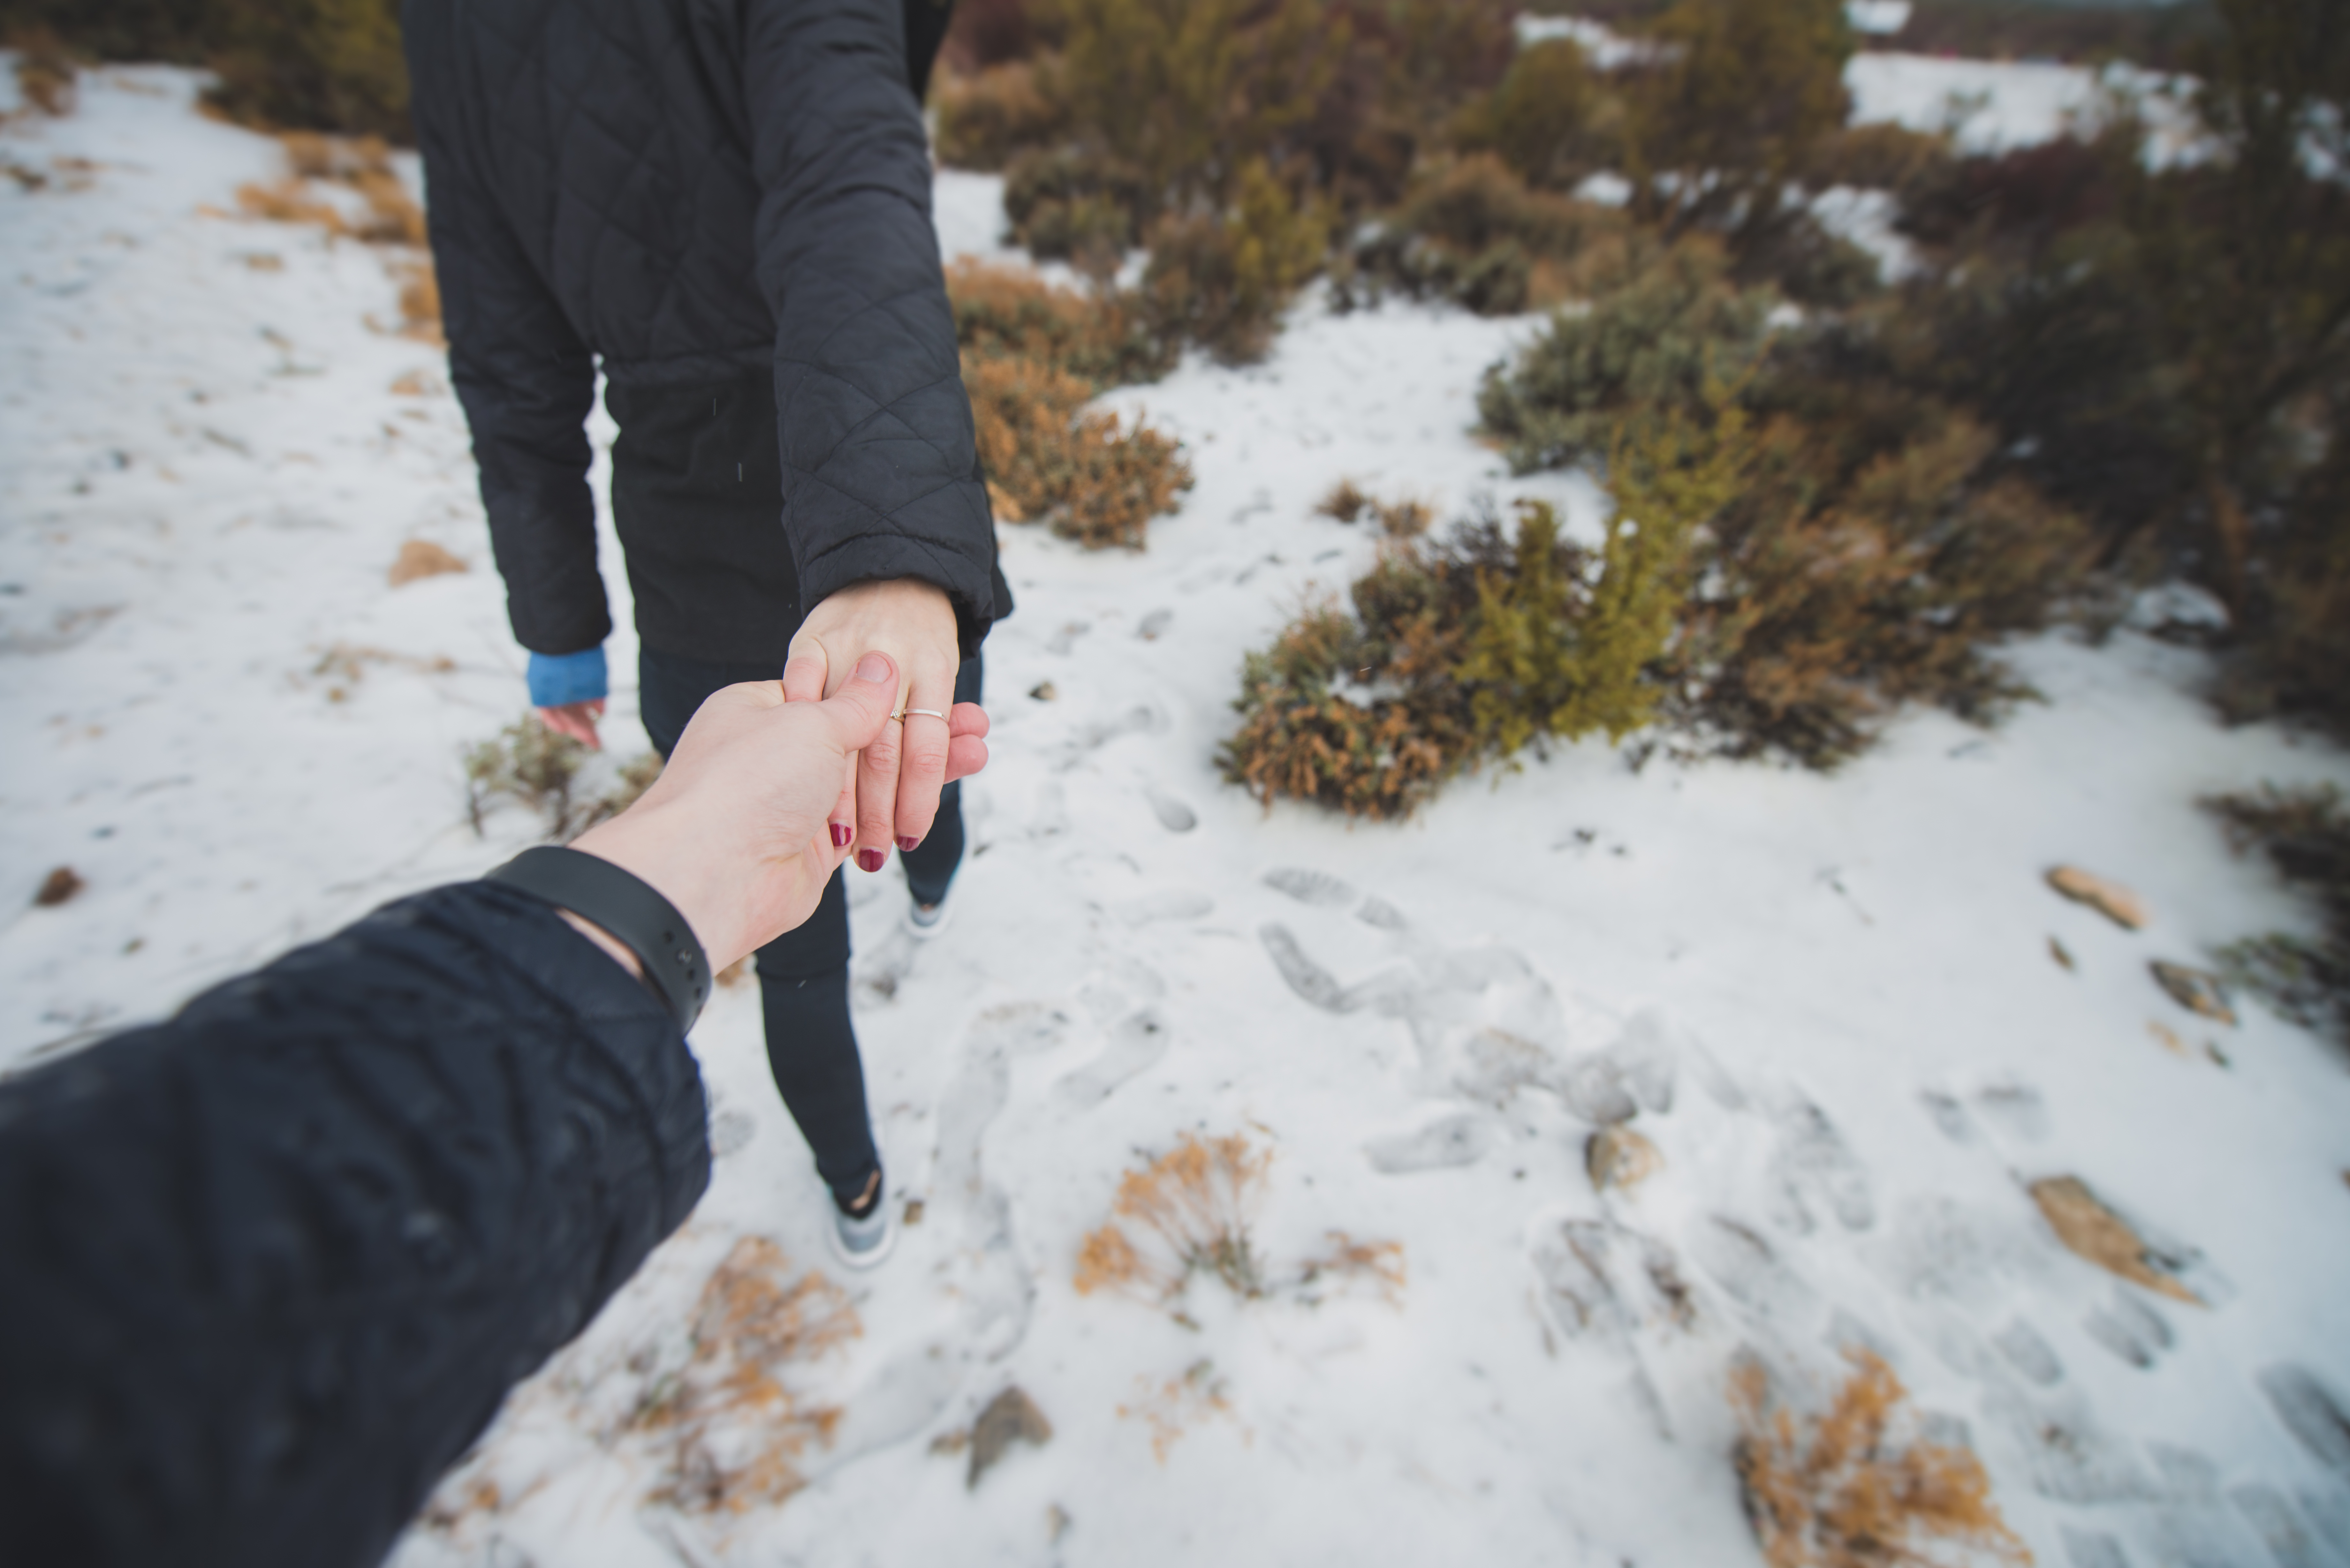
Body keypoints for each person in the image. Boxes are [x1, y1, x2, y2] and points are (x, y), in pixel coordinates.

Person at [0, 657, 987, 1568]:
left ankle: (867, 1134)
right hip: (722, 663)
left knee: (862, 870)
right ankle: (860, 1160)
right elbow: (531, 458)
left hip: (737, 699)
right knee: (841, 913)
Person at [402, 0, 1007, 1267]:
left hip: (685, 528)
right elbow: (848, 190)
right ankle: (936, 890)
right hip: (867, 455)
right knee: (924, 736)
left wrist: (561, 623)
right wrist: (897, 542)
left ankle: (854, 1191)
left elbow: (511, 363)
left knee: (791, 931)